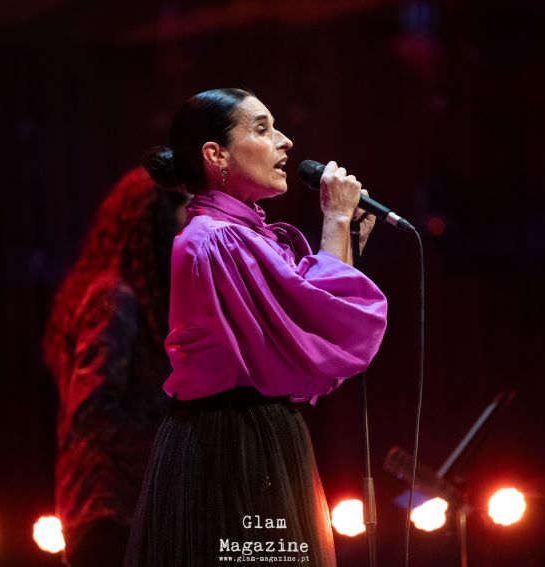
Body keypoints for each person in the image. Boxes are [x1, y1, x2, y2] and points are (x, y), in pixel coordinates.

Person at [124, 88, 388, 567]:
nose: (285, 142)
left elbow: (320, 326)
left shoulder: (247, 236)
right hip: (231, 444)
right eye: (263, 129)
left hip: (258, 433)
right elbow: (314, 333)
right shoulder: (213, 238)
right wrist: (335, 219)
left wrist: (340, 233)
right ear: (216, 154)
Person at [43, 166, 187, 567]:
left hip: (124, 507)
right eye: (183, 207)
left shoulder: (137, 297)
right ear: (154, 219)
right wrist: (171, 449)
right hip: (107, 510)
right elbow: (90, 411)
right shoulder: (114, 299)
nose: (192, 221)